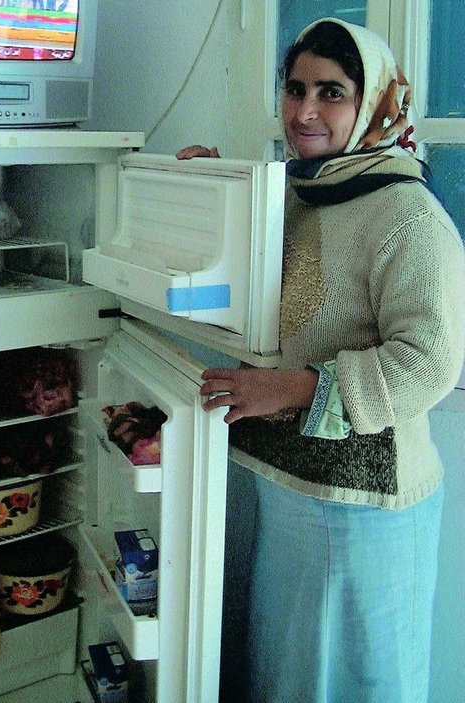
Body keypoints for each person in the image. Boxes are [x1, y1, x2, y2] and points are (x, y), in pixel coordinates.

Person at [177, 17, 465, 703]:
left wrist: (296, 389)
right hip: (290, 486)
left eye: (331, 92)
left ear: (372, 105)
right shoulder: (299, 191)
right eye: (295, 88)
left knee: (365, 675)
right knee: (290, 665)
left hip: (369, 502)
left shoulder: (406, 215)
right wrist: (214, 192)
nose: (304, 111)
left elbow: (431, 360)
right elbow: (248, 290)